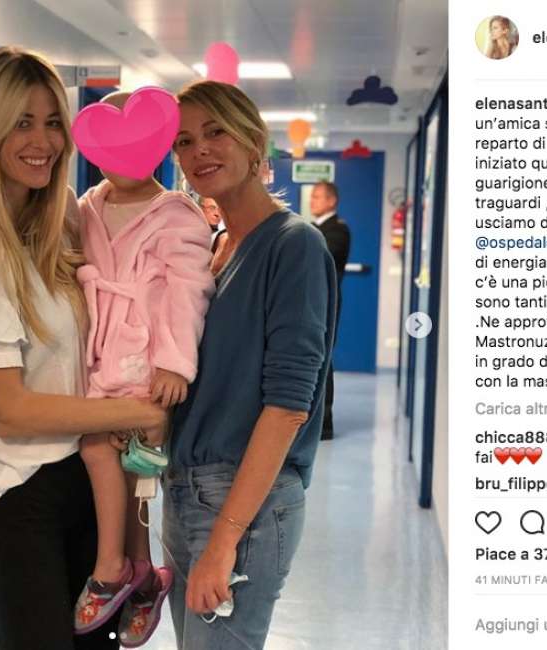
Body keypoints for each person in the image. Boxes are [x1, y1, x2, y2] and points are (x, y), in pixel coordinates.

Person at [0, 46, 166, 650]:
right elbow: (9, 411)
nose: (43, 141)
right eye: (22, 122)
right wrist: (136, 412)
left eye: (52, 122)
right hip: (28, 493)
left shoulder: (61, 213)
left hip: (92, 478)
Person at [164, 79, 337, 649]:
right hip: (185, 489)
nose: (199, 150)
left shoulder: (293, 245)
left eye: (216, 132)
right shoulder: (213, 248)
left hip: (243, 502)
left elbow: (288, 407)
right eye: (184, 141)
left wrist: (223, 542)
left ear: (254, 142)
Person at [73, 90, 215, 644]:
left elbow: (188, 291)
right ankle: (145, 575)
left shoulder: (176, 213)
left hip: (148, 359)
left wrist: (174, 363)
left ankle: (112, 567)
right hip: (101, 351)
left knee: (102, 448)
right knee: (128, 465)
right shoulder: (89, 205)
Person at [310, 181, 351, 440]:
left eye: (317, 196)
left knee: (323, 357)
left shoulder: (338, 230)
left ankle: (324, 424)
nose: (312, 200)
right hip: (312, 300)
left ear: (331, 201)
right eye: (312, 196)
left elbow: (320, 257)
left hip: (327, 301)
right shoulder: (313, 228)